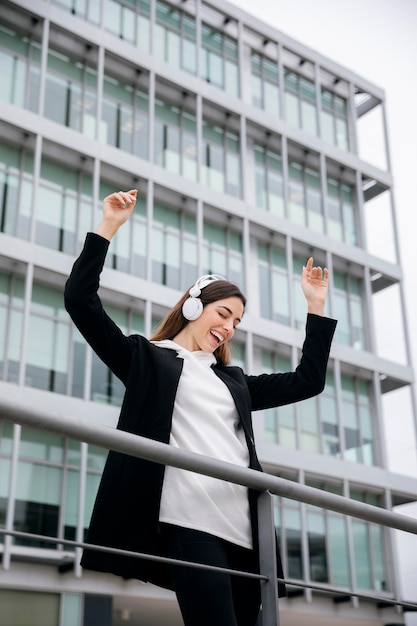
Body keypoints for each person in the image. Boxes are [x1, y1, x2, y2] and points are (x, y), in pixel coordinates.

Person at [64, 189, 337, 626]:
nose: (228, 328)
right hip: (189, 521)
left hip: (246, 533)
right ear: (194, 305)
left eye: (236, 323)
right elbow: (81, 302)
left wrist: (316, 307)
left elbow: (309, 381)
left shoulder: (234, 381)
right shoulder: (147, 359)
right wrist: (107, 228)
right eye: (223, 314)